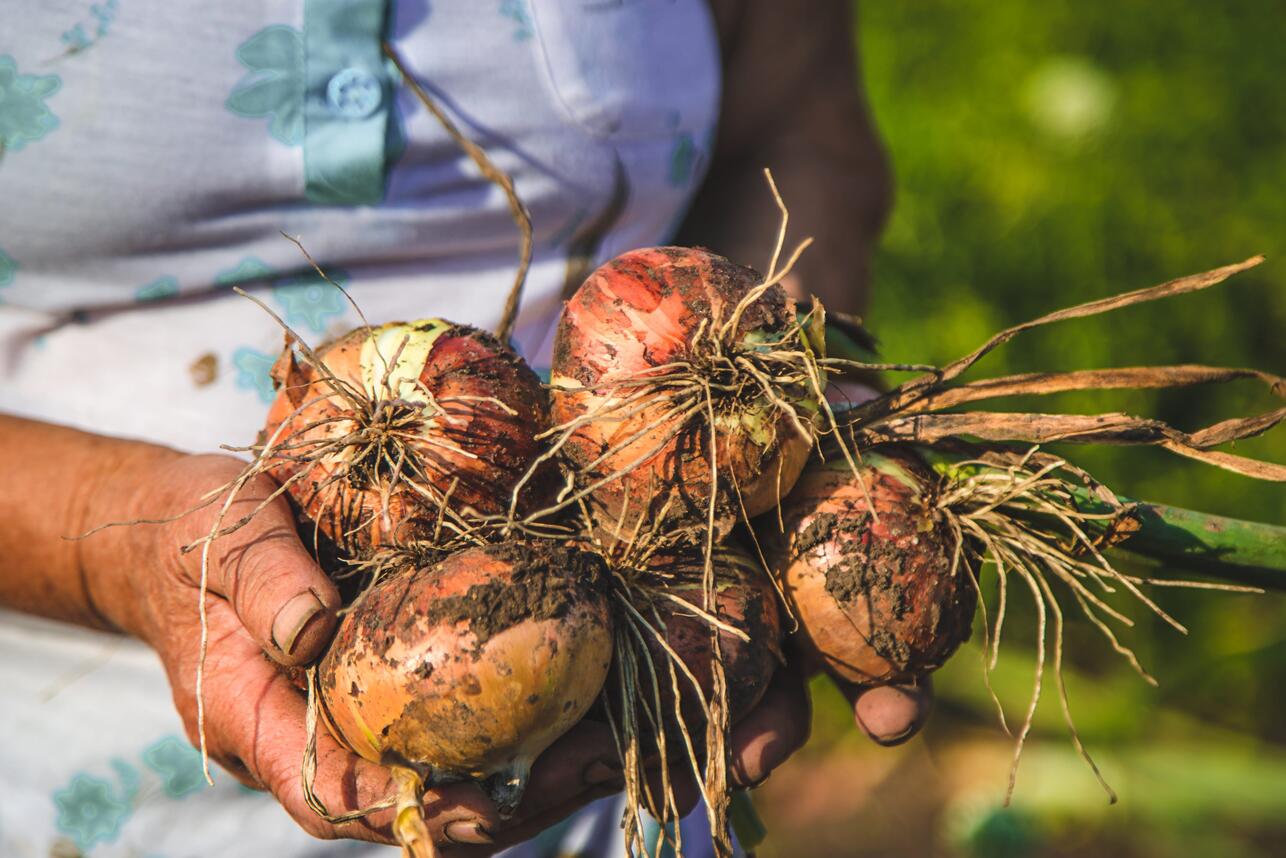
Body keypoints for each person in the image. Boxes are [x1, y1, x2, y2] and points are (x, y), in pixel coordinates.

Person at [0, 2, 930, 854]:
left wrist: (797, 397)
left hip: (646, 657)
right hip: (73, 771)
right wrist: (104, 535)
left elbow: (801, 130)